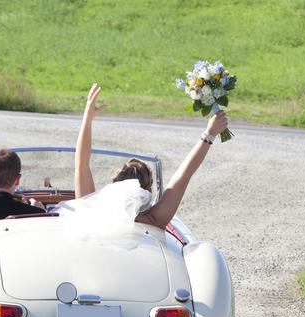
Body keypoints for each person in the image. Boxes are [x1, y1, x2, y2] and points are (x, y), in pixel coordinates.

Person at [74, 83, 229, 229]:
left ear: (115, 185)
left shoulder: (91, 210)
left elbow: (81, 166)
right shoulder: (155, 219)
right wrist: (209, 135)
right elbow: (183, 175)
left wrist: (87, 120)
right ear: (147, 192)